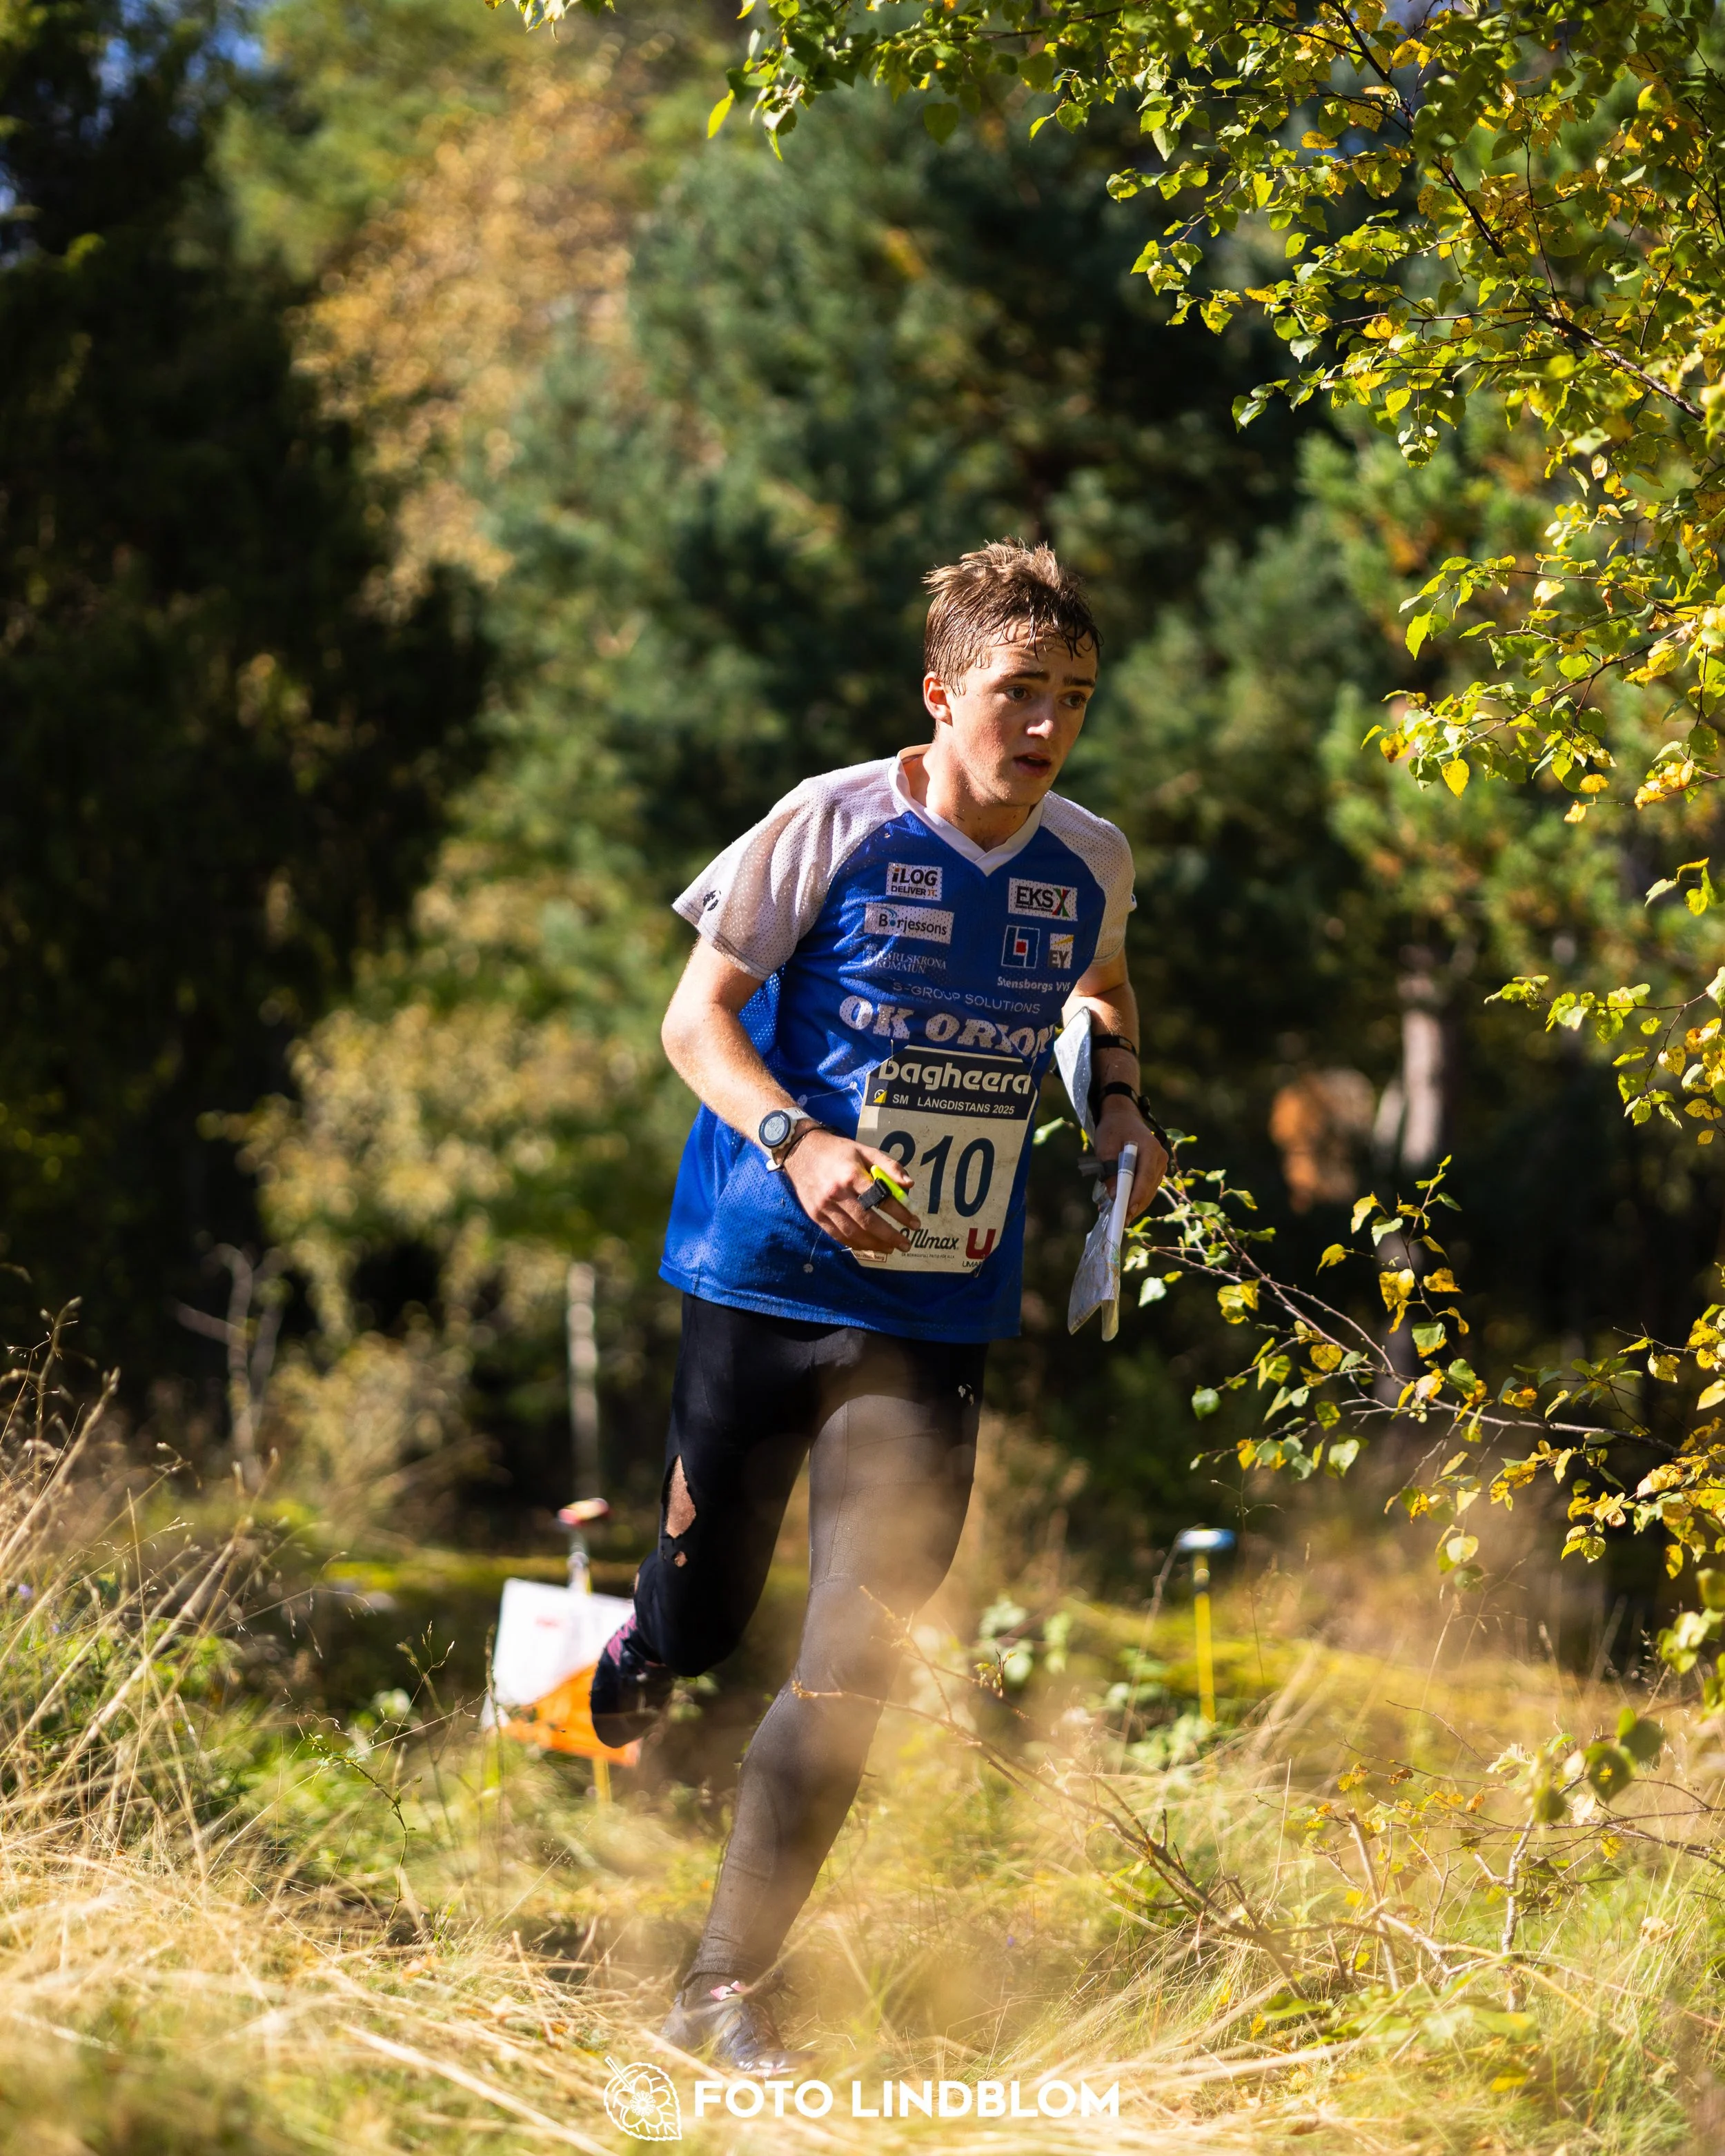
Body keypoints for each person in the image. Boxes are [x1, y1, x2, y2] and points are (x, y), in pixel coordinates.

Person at [589, 540, 1165, 2071]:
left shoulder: (1088, 856)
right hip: (762, 1273)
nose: (1044, 725)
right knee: (707, 1624)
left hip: (936, 1302)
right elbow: (690, 1017)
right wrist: (799, 1139)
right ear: (940, 696)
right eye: (1016, 692)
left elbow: (1099, 984)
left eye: (1073, 698)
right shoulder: (829, 822)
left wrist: (1118, 1106)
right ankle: (641, 1644)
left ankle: (719, 1988)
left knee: (853, 1655)